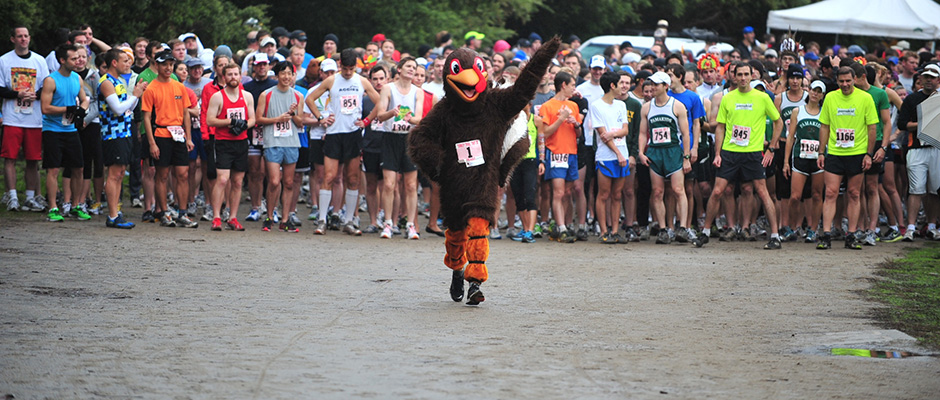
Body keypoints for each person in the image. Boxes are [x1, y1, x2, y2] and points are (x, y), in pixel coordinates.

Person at [700, 62, 783, 250]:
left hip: (753, 153)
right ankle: (705, 232)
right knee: (718, 191)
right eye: (740, 74)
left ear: (752, 76)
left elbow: (778, 123)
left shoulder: (762, 98)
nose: (744, 78)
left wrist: (771, 148)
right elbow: (720, 126)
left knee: (762, 192)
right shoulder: (728, 98)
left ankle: (776, 236)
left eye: (747, 74)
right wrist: (718, 153)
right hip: (730, 152)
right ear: (734, 77)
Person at [304, 49, 381, 235]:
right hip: (334, 133)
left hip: (353, 133)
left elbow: (380, 102)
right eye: (345, 69)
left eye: (351, 69)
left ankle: (348, 221)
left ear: (356, 66)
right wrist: (321, 118)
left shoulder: (361, 81)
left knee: (353, 179)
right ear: (340, 66)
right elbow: (310, 99)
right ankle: (322, 220)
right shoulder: (331, 80)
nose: (347, 73)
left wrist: (366, 121)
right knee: (329, 177)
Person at [815, 66, 880, 250]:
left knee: (854, 193)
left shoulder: (865, 98)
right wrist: (821, 151)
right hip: (835, 152)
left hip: (857, 152)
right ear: (837, 81)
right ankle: (826, 234)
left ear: (855, 80)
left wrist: (868, 154)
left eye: (848, 81)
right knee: (830, 193)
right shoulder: (830, 97)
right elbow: (824, 126)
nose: (845, 84)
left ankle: (851, 234)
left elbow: (872, 128)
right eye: (841, 81)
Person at [638, 71, 700, 246]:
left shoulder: (677, 106)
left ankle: (682, 227)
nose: (653, 87)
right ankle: (664, 229)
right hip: (655, 153)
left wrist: (686, 156)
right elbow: (643, 133)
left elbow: (686, 134)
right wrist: (641, 152)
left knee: (678, 190)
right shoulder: (647, 107)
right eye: (652, 84)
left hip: (673, 151)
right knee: (657, 192)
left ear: (665, 86)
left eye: (657, 85)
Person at [141, 50, 197, 228]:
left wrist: (188, 138)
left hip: (178, 135)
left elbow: (186, 113)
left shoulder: (179, 86)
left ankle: (182, 212)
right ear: (156, 65)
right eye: (164, 64)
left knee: (183, 174)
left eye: (171, 64)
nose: (168, 67)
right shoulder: (151, 88)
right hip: (161, 135)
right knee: (162, 175)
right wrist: (151, 143)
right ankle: (164, 212)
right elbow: (146, 118)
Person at [374, 57, 427, 239]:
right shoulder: (388, 88)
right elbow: (380, 116)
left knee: (411, 185)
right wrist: (392, 113)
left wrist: (408, 119)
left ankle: (411, 224)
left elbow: (419, 119)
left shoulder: (417, 92)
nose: (412, 70)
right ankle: (388, 223)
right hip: (390, 138)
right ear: (399, 69)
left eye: (415, 67)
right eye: (409, 67)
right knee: (389, 184)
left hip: (409, 139)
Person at [1, 26, 49, 212]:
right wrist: (17, 94)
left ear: (30, 38)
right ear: (13, 39)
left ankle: (30, 197)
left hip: (34, 118)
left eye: (26, 36)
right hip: (12, 117)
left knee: (33, 159)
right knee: (10, 157)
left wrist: (35, 95)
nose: (23, 39)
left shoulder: (39, 60)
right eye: (19, 36)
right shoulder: (4, 61)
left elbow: (46, 86)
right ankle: (12, 196)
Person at [98, 48, 148, 228]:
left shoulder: (118, 81)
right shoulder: (106, 82)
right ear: (114, 62)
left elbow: (129, 106)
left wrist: (136, 93)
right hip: (113, 133)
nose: (128, 64)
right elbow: (118, 109)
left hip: (124, 131)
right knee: (113, 174)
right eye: (125, 61)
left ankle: (116, 212)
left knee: (120, 173)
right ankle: (112, 215)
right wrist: (135, 95)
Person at [40, 43, 89, 221]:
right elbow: (45, 108)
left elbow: (84, 99)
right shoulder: (51, 80)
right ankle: (53, 207)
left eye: (79, 58)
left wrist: (81, 110)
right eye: (73, 59)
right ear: (62, 60)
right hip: (52, 130)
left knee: (78, 168)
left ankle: (75, 205)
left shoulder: (77, 78)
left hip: (70, 129)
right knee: (53, 169)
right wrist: (68, 109)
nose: (78, 61)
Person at [205, 62, 255, 231]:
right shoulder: (218, 97)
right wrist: (230, 122)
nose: (233, 77)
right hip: (223, 142)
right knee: (223, 179)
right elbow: (210, 120)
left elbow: (253, 119)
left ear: (240, 76)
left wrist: (243, 125)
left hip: (241, 142)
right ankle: (217, 216)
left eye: (236, 74)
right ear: (224, 77)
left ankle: (232, 217)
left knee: (238, 182)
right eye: (230, 75)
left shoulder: (247, 96)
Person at [256, 61, 304, 232]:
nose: (286, 77)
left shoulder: (298, 96)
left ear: (293, 76)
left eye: (289, 73)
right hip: (273, 142)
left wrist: (293, 113)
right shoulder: (266, 95)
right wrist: (277, 119)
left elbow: (300, 123)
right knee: (275, 181)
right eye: (283, 73)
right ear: (277, 75)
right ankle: (269, 216)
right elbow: (258, 119)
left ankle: (285, 219)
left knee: (289, 182)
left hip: (291, 142)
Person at [896, 65, 940, 241]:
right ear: (920, 79)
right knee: (916, 189)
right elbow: (902, 124)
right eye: (926, 77)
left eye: (932, 77)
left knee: (935, 190)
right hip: (916, 148)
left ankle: (931, 226)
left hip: (936, 148)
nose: (929, 80)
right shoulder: (912, 99)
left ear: (938, 80)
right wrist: (923, 123)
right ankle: (911, 227)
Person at [539, 71, 582, 243]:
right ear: (563, 85)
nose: (574, 88)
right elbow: (545, 132)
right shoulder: (547, 106)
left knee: (568, 192)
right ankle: (561, 227)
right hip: (555, 152)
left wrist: (575, 123)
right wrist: (561, 119)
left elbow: (578, 133)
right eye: (572, 85)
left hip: (571, 152)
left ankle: (562, 224)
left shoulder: (574, 106)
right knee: (558, 192)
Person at [589, 71, 630, 243]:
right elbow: (602, 135)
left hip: (622, 154)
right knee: (603, 194)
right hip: (606, 156)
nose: (623, 86)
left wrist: (613, 135)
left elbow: (625, 130)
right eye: (620, 83)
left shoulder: (621, 105)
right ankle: (603, 231)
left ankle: (615, 230)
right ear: (612, 86)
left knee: (617, 195)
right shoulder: (596, 105)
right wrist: (618, 151)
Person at [782, 80, 825, 243]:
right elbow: (790, 138)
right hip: (799, 157)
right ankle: (793, 228)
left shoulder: (824, 113)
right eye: (813, 90)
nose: (815, 93)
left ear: (822, 95)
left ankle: (813, 229)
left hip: (818, 159)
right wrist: (786, 162)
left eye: (819, 91)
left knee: (816, 195)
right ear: (808, 91)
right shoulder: (797, 111)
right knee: (795, 196)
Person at [242, 53, 277, 221]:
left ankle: (273, 208)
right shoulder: (247, 87)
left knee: (273, 173)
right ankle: (255, 207)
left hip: (273, 132)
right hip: (253, 133)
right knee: (255, 171)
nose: (262, 67)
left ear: (269, 66)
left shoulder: (276, 85)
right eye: (259, 65)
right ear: (254, 66)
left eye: (265, 64)